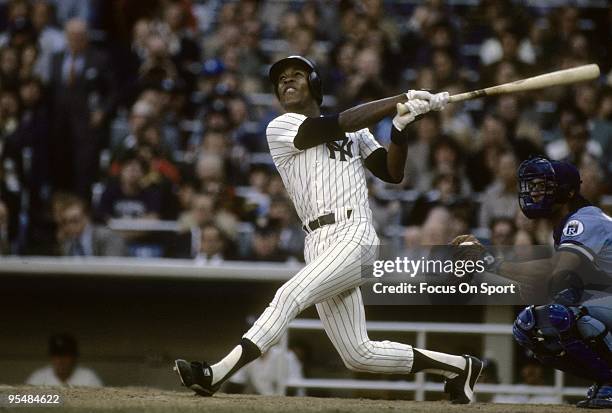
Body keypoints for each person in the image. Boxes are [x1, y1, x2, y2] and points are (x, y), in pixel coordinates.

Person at [174, 55, 483, 403]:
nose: (287, 81)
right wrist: (400, 98)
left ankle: (216, 373)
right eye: (281, 79)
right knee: (358, 354)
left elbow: (391, 172)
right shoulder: (280, 127)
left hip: (355, 234)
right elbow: (331, 126)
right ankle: (459, 367)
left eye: (297, 75)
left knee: (290, 295)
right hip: (317, 241)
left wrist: (399, 129)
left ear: (315, 84)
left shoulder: (357, 131)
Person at [453, 156, 612, 408]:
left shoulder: (584, 220)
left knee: (558, 316)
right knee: (529, 326)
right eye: (533, 185)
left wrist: (490, 261)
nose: (535, 192)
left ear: (568, 191)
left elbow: (555, 270)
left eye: (543, 186)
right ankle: (603, 379)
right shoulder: (569, 223)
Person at [56, 194, 127, 257]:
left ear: (86, 217)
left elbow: (113, 268)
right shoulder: (67, 243)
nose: (70, 226)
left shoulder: (107, 237)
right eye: (65, 222)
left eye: (75, 220)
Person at [26, 333, 102, 387]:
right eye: (56, 355)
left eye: (65, 355)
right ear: (51, 357)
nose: (60, 360)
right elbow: (24, 403)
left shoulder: (88, 377)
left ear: (74, 357)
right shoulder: (38, 377)